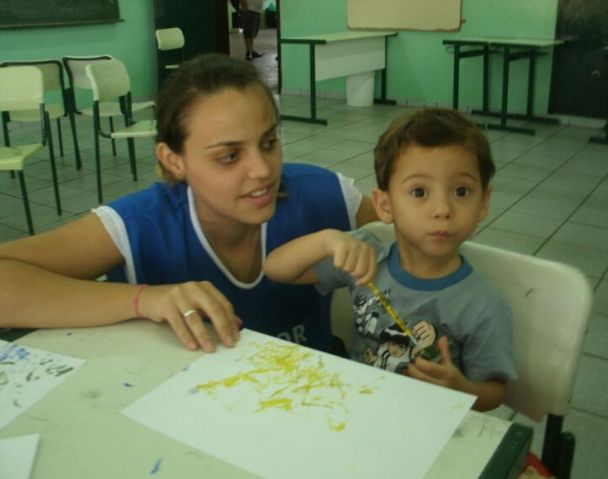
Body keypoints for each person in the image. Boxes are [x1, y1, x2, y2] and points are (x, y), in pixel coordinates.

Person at [0, 53, 378, 355]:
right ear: (174, 160)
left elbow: (411, 233)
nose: (263, 170)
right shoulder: (141, 223)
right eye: (229, 156)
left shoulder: (323, 194)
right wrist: (146, 299)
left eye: (268, 143)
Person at [264, 107, 517, 411]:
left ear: (483, 203)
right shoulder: (366, 258)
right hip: (355, 410)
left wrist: (461, 389)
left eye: (461, 191)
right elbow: (276, 269)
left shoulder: (483, 305)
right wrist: (327, 239)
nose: (442, 209)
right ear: (385, 205)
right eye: (419, 192)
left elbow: (494, 393)